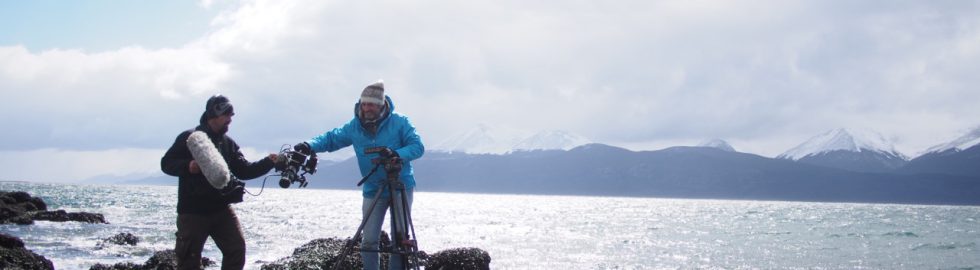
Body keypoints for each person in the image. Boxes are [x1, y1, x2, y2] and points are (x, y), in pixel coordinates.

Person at [294, 81, 424, 270]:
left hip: (400, 185)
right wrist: (309, 145)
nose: (367, 108)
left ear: (381, 104)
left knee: (400, 240)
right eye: (364, 103)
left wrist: (396, 154)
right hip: (373, 188)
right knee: (369, 241)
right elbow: (332, 139)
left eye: (371, 104)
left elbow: (417, 147)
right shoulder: (355, 126)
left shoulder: (400, 122)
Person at [160, 94, 279, 270]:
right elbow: (166, 164)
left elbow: (244, 170)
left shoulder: (228, 143)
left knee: (236, 250)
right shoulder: (189, 138)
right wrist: (188, 166)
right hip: (192, 212)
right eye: (227, 115)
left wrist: (270, 162)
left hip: (221, 209)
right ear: (213, 115)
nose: (230, 120)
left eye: (231, 116)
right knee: (189, 261)